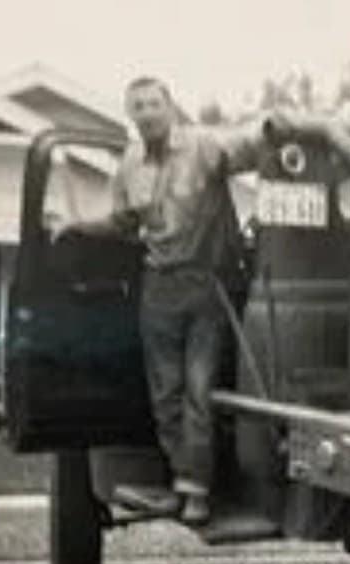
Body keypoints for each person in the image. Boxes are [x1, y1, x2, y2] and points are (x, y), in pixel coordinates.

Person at [58, 77, 279, 525]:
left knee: (199, 391)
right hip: (158, 286)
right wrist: (78, 226)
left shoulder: (203, 147)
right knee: (166, 395)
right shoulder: (129, 163)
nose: (147, 112)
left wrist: (278, 124)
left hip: (204, 286)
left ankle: (197, 493)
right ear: (130, 114)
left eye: (154, 103)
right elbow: (123, 223)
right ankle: (183, 481)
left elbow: (251, 145)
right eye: (138, 106)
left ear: (170, 106)